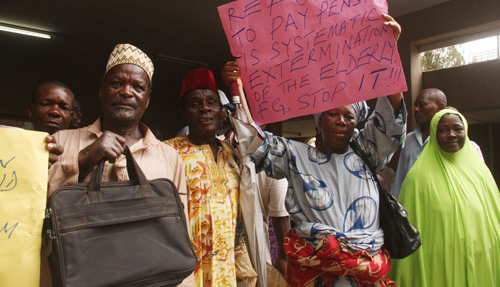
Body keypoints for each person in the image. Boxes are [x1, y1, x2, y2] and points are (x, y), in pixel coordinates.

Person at [221, 14, 406, 287]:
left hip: (366, 272)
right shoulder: (295, 156)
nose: (342, 121)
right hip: (316, 276)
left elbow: (390, 122)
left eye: (349, 116)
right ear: (319, 121)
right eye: (332, 114)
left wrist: (388, 51)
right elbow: (252, 141)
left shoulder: (368, 151)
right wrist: (235, 89)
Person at [43, 43, 190, 285]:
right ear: (101, 91)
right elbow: (34, 209)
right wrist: (86, 157)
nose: (126, 92)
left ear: (147, 99)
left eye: (138, 87)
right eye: (116, 84)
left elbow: (178, 233)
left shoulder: (170, 156)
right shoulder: (61, 142)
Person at [165, 68, 258, 286]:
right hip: (187, 270)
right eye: (195, 104)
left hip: (232, 269)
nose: (205, 108)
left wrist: (237, 87)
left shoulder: (235, 153)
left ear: (222, 111)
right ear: (183, 112)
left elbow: (253, 134)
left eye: (211, 102)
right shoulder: (168, 152)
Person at [390, 108, 500, 286]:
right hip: (437, 265)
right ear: (433, 133)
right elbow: (408, 234)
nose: (451, 135)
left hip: (479, 259)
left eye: (458, 129)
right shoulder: (417, 179)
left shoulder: (482, 174)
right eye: (443, 130)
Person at [390, 89, 482, 198]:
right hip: (412, 206)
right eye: (415, 105)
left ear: (440, 107)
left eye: (422, 105)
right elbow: (401, 177)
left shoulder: (459, 145)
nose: (416, 109)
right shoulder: (409, 139)